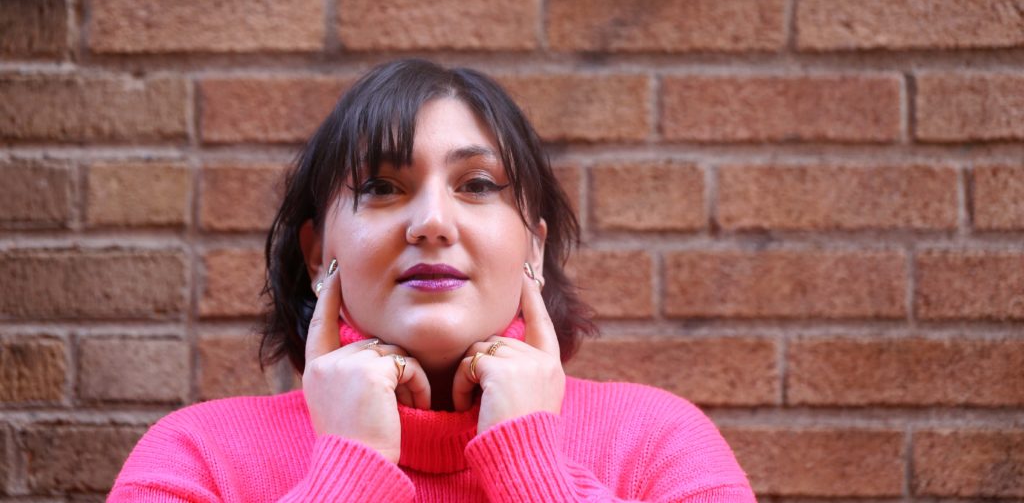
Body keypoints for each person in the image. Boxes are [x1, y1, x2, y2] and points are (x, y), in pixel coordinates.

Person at [109, 59, 755, 502]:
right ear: (316, 254)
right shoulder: (197, 459)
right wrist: (348, 471)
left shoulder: (659, 445)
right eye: (383, 187)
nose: (432, 223)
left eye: (476, 185)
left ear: (534, 242)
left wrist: (531, 464)